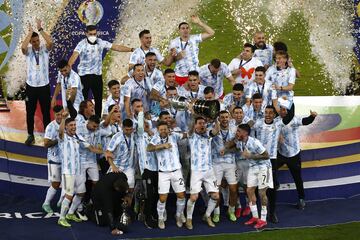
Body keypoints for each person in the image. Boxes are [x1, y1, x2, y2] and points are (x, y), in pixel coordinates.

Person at [68, 25, 134, 117]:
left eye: (94, 34)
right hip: (84, 76)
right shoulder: (81, 44)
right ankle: (82, 120)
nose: (93, 36)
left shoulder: (100, 42)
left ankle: (97, 120)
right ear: (86, 34)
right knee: (83, 101)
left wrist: (131, 49)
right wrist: (69, 66)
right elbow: (74, 55)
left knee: (98, 100)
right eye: (90, 34)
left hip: (97, 76)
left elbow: (116, 47)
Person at [271, 98, 317, 212]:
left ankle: (301, 199)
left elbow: (305, 121)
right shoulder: (276, 121)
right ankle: (275, 183)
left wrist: (312, 117)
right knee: (270, 169)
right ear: (279, 110)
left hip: (294, 155)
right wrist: (277, 137)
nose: (284, 112)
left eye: (286, 110)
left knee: (297, 178)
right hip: (281, 153)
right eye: (282, 109)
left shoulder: (295, 119)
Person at [57, 113, 99, 227]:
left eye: (74, 125)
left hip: (78, 171)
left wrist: (105, 152)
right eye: (70, 125)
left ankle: (70, 213)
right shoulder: (63, 137)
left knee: (81, 192)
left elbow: (90, 148)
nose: (73, 127)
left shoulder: (77, 137)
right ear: (66, 127)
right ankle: (61, 218)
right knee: (69, 195)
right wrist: (64, 119)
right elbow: (60, 131)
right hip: (68, 172)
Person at [230, 124, 272, 229]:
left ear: (245, 133)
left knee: (262, 193)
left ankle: (263, 219)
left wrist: (251, 156)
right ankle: (255, 217)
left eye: (239, 131)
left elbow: (266, 155)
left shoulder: (255, 142)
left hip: (264, 167)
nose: (237, 133)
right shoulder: (240, 142)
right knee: (249, 191)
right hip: (252, 167)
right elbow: (232, 146)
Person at [147, 121, 187, 229]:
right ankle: (160, 218)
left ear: (168, 129)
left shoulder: (174, 136)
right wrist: (162, 146)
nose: (163, 131)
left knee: (181, 196)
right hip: (163, 173)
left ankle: (178, 215)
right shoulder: (155, 138)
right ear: (158, 130)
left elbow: (186, 134)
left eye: (165, 129)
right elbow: (149, 148)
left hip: (176, 171)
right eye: (161, 129)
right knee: (163, 198)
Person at [21, 19, 52, 146]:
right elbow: (23, 47)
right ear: (31, 42)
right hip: (31, 87)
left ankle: (48, 135)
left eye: (37, 40)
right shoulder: (28, 51)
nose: (36, 43)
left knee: (46, 112)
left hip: (44, 86)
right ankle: (30, 135)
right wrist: (30, 33)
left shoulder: (45, 49)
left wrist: (40, 30)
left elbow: (50, 41)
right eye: (33, 41)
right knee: (30, 112)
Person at [185, 117, 220, 229]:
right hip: (196, 171)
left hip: (209, 170)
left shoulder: (208, 135)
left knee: (215, 196)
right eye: (199, 123)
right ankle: (189, 219)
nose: (202, 125)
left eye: (204, 123)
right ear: (195, 125)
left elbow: (216, 130)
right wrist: (194, 115)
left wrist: (215, 120)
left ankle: (207, 215)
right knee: (194, 197)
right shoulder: (191, 135)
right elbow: (190, 130)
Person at [168, 15, 215, 86]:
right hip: (180, 75)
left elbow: (211, 33)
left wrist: (199, 23)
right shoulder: (174, 42)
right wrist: (177, 56)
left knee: (196, 95)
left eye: (187, 28)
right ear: (179, 31)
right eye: (183, 28)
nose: (185, 30)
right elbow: (171, 61)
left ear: (190, 30)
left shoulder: (195, 38)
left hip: (194, 74)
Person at [211, 111, 238, 222]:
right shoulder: (213, 129)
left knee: (233, 189)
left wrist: (227, 151)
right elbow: (211, 135)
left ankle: (231, 211)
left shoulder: (235, 130)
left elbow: (238, 147)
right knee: (216, 190)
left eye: (226, 117)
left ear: (230, 118)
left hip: (230, 163)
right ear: (219, 119)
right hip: (216, 163)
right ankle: (216, 213)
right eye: (222, 117)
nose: (225, 119)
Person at [134, 111, 158, 229]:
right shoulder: (139, 135)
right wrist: (141, 113)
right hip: (146, 169)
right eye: (144, 124)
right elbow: (139, 125)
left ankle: (152, 214)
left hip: (158, 169)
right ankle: (147, 218)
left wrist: (150, 131)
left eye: (147, 124)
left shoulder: (154, 135)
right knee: (148, 195)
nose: (145, 125)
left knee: (156, 194)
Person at [105, 119, 136, 201]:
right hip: (117, 166)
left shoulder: (134, 135)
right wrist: (113, 166)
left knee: (130, 188)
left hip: (129, 167)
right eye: (126, 130)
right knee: (110, 187)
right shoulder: (116, 137)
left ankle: (126, 208)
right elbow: (108, 153)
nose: (129, 131)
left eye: (130, 129)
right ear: (122, 127)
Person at [91, 172, 129, 236]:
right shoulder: (105, 191)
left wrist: (126, 196)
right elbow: (109, 209)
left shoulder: (123, 177)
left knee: (117, 216)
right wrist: (113, 228)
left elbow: (124, 190)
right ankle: (90, 210)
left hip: (112, 193)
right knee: (102, 222)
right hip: (98, 197)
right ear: (116, 188)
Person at [42, 105, 63, 214]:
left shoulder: (67, 124)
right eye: (57, 115)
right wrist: (57, 140)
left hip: (65, 159)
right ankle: (46, 203)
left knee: (67, 182)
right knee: (56, 183)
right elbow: (46, 144)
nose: (59, 116)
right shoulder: (51, 126)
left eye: (61, 114)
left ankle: (61, 202)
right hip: (53, 159)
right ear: (54, 115)